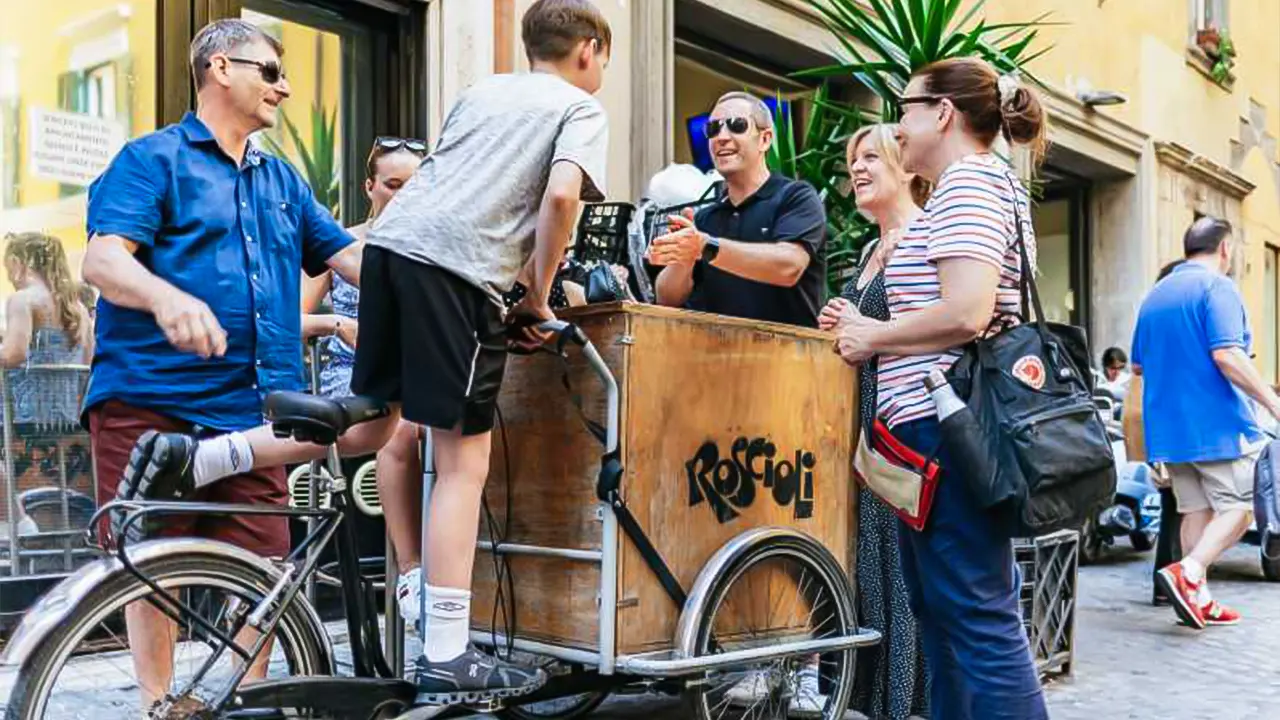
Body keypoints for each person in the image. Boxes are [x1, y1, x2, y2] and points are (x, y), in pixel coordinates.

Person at [117, 0, 611, 704]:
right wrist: (535, 295)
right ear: (590, 50)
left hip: (393, 257)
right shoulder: (580, 108)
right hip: (459, 270)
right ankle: (446, 649)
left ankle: (201, 457)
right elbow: (562, 196)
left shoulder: (480, 93)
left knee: (380, 421)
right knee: (464, 456)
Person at [81, 19, 361, 712]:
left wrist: (435, 290)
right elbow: (103, 259)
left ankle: (241, 701)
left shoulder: (284, 181)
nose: (285, 87)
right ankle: (156, 703)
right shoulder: (153, 159)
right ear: (219, 68)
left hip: (256, 411)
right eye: (270, 71)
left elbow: (349, 256)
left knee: (263, 570)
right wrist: (165, 297)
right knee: (154, 563)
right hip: (153, 396)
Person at [827, 58, 1050, 720]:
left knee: (976, 618)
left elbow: (968, 310)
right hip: (934, 430)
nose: (900, 126)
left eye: (905, 108)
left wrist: (873, 336)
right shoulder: (975, 185)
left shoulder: (969, 185)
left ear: (942, 113)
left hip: (946, 429)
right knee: (947, 614)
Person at [818, 125, 930, 720]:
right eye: (852, 161)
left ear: (907, 167)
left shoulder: (921, 238)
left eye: (870, 158)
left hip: (902, 421)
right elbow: (867, 330)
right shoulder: (869, 249)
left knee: (901, 558)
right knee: (874, 558)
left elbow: (933, 334)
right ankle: (878, 695)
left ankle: (909, 698)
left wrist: (862, 325)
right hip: (868, 418)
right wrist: (845, 320)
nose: (857, 169)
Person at [1134, 216, 1279, 629]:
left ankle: (1198, 596)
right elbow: (1227, 355)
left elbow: (1139, 366)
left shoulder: (1155, 295)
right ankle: (1190, 571)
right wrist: (1271, 401)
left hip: (1169, 428)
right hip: (1216, 424)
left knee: (1194, 509)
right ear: (1225, 249)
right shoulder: (1217, 287)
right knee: (1241, 507)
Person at [301, 137, 428, 597]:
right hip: (352, 380)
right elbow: (291, 319)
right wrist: (337, 324)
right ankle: (412, 574)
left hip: (419, 379)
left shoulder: (435, 247)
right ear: (369, 186)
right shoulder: (340, 245)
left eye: (413, 185)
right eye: (392, 184)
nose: (402, 195)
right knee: (406, 426)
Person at [649, 91, 827, 327]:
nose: (722, 137)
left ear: (765, 139)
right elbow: (667, 299)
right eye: (713, 129)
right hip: (715, 358)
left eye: (736, 125)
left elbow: (789, 266)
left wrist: (706, 246)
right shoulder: (704, 218)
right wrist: (685, 256)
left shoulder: (795, 197)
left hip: (786, 358)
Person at [1132, 259, 1186, 606]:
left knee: (1174, 507)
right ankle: (1176, 582)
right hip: (1178, 426)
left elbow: (1138, 368)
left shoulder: (1151, 314)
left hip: (1158, 424)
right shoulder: (1175, 319)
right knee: (1183, 508)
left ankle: (1164, 585)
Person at [0, 233, 93, 426]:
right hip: (69, 417)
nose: (10, 278)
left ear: (17, 263)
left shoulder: (22, 300)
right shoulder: (79, 309)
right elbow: (89, 361)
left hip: (25, 413)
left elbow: (13, 355)